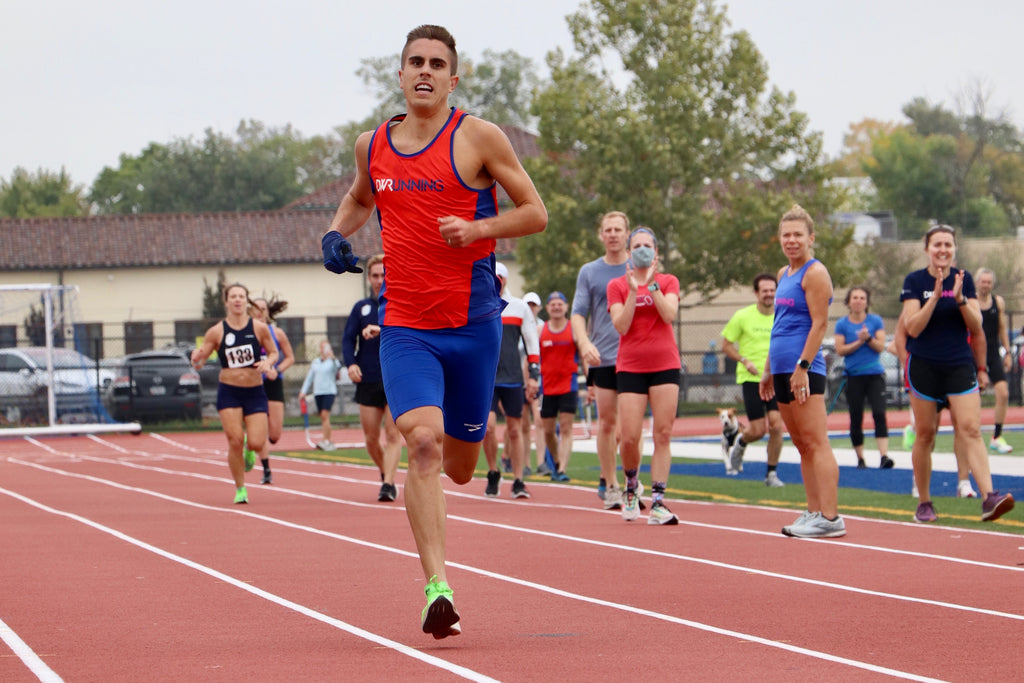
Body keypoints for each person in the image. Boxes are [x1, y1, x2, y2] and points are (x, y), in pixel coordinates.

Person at [320, 24, 546, 639]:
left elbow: (535, 213)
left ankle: (458, 464)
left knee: (462, 466)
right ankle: (437, 586)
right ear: (399, 75)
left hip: (474, 328)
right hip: (406, 326)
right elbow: (361, 198)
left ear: (454, 75)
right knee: (422, 442)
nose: (425, 71)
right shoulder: (372, 145)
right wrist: (335, 235)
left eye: (436, 63)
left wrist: (476, 232)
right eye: (414, 62)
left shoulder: (478, 137)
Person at [900, 224, 1014, 523]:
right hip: (923, 366)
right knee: (926, 434)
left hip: (958, 365)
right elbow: (911, 327)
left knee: (971, 429)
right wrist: (936, 297)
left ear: (954, 249)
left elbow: (976, 326)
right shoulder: (914, 281)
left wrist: (960, 297)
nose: (942, 249)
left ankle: (989, 497)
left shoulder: (964, 279)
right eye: (937, 244)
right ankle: (924, 502)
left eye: (948, 244)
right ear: (927, 248)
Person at [758, 205, 846, 539]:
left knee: (816, 441)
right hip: (781, 368)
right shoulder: (784, 275)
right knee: (801, 444)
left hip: (804, 369)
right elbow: (778, 326)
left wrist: (802, 367)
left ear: (811, 238)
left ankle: (831, 515)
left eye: (798, 235)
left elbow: (819, 324)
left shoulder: (815, 274)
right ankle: (813, 512)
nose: (791, 240)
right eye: (786, 235)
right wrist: (769, 369)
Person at [608, 227, 681, 525]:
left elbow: (668, 315)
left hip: (664, 364)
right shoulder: (617, 284)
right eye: (636, 245)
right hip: (630, 366)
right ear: (628, 252)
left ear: (656, 252)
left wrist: (651, 286)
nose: (642, 250)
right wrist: (634, 290)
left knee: (663, 433)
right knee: (629, 437)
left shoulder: (668, 281)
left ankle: (659, 501)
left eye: (647, 245)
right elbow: (621, 326)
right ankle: (630, 487)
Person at [190, 283, 277, 504]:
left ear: (246, 301)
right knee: (234, 440)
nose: (238, 300)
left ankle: (250, 451)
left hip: (255, 390)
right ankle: (240, 488)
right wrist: (195, 359)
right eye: (233, 296)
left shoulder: (259, 328)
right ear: (226, 301)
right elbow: (201, 360)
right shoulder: (217, 331)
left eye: (241, 296)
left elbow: (274, 352)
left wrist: (268, 362)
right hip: (229, 391)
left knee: (257, 443)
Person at [571, 210, 630, 510]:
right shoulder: (590, 272)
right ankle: (612, 485)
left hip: (636, 356)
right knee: (608, 424)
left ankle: (631, 480)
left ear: (627, 234)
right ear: (601, 235)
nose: (613, 234)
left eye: (618, 229)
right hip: (604, 356)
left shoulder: (640, 267)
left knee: (629, 428)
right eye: (608, 229)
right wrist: (583, 343)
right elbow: (578, 313)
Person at [890, 311, 983, 499]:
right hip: (929, 373)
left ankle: (964, 482)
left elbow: (977, 333)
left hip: (957, 369)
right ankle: (919, 481)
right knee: (928, 431)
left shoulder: (960, 301)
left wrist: (981, 368)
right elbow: (897, 340)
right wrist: (909, 365)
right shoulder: (920, 298)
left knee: (964, 427)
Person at [343, 254, 404, 502]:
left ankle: (388, 484)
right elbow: (348, 339)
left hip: (395, 376)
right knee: (370, 439)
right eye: (375, 276)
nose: (379, 280)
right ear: (369, 278)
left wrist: (381, 329)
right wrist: (350, 364)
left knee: (392, 435)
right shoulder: (361, 308)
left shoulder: (400, 303)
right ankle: (384, 471)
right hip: (368, 377)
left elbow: (410, 331)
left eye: (383, 275)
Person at [720, 273, 785, 487]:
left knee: (776, 427)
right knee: (758, 430)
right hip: (752, 378)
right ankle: (741, 440)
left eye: (772, 290)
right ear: (757, 293)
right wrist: (744, 360)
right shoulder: (743, 316)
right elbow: (726, 345)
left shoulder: (783, 315)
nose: (769, 294)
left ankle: (771, 473)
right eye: (765, 290)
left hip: (777, 378)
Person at [482, 261, 540, 499]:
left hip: (513, 378)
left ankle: (518, 479)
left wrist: (534, 375)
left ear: (505, 280)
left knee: (515, 430)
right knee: (487, 429)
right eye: (492, 276)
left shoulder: (519, 307)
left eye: (500, 277)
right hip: (485, 379)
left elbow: (531, 341)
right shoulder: (476, 305)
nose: (496, 280)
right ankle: (493, 471)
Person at [834, 286, 894, 470]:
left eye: (862, 297)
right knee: (856, 416)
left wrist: (868, 338)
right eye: (855, 297)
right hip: (853, 376)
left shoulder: (875, 321)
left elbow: (880, 346)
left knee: (879, 413)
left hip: (874, 374)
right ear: (848, 301)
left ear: (867, 302)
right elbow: (840, 349)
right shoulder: (842, 324)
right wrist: (858, 342)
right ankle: (860, 458)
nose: (858, 301)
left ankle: (883, 456)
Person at [247, 295, 295, 485]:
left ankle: (255, 440)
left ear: (268, 312)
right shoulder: (246, 333)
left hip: (273, 382)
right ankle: (266, 469)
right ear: (250, 311)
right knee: (260, 428)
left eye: (263, 309)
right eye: (256, 308)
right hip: (253, 383)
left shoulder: (277, 333)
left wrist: (277, 369)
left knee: (274, 435)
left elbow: (290, 357)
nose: (260, 312)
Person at [538, 291, 580, 483]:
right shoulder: (541, 330)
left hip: (568, 385)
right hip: (547, 386)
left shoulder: (574, 330)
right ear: (547, 308)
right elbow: (531, 356)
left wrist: (590, 383)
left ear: (566, 307)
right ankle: (556, 461)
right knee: (548, 431)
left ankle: (562, 468)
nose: (556, 307)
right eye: (553, 304)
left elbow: (586, 358)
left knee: (565, 428)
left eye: (559, 304)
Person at [975, 268, 1014, 454]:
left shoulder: (998, 302)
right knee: (975, 396)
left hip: (992, 352)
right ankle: (973, 435)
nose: (985, 285)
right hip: (974, 353)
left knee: (1003, 393)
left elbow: (1002, 328)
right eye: (983, 282)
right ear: (977, 282)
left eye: (988, 282)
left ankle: (996, 436)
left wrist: (1007, 352)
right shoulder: (971, 301)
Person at [520, 291, 548, 475]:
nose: (530, 308)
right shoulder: (515, 324)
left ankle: (540, 463)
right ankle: (524, 463)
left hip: (538, 378)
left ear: (538, 307)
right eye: (527, 305)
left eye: (533, 305)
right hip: (516, 378)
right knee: (521, 423)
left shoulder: (543, 328)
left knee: (539, 420)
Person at [299, 341, 342, 450]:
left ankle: (327, 440)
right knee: (323, 417)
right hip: (318, 392)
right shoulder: (316, 362)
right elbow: (310, 378)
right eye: (323, 347)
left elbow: (337, 368)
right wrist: (303, 391)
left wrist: (332, 358)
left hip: (329, 391)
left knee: (324, 415)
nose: (324, 349)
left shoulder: (332, 362)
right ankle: (326, 439)